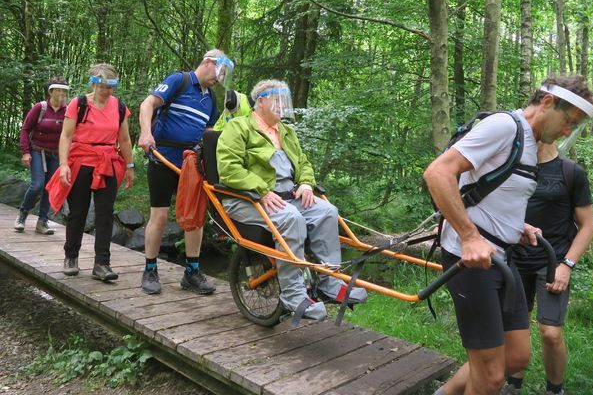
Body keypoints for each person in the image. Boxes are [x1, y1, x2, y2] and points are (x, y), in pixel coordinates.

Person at [423, 76, 593, 395]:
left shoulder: (532, 144)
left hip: (504, 258)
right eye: (569, 122)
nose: (568, 132)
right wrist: (469, 236)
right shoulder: (505, 127)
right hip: (471, 261)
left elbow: (496, 192)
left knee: (515, 357)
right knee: (490, 377)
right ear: (546, 103)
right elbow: (438, 172)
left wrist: (518, 227)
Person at [216, 79, 367, 321]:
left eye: (285, 101)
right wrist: (261, 191)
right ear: (260, 102)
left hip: (288, 196)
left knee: (327, 211)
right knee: (290, 218)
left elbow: (304, 163)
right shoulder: (239, 128)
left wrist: (306, 183)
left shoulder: (287, 132)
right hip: (248, 198)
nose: (282, 106)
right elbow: (228, 169)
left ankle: (330, 283)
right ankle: (293, 295)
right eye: (277, 100)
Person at [137, 49, 234, 295]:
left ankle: (191, 272)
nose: (219, 78)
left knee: (194, 217)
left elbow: (209, 134)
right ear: (208, 62)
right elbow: (148, 103)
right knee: (158, 216)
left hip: (191, 166)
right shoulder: (178, 81)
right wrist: (146, 133)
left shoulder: (210, 98)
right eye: (219, 72)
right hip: (163, 158)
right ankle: (150, 269)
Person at [501, 141, 593, 395]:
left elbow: (587, 226)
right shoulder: (512, 167)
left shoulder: (571, 171)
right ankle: (513, 384)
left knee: (550, 332)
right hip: (514, 258)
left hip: (553, 260)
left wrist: (568, 265)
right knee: (514, 327)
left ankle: (555, 390)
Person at [47, 64, 135, 281]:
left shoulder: (119, 107)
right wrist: (64, 164)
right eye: (104, 86)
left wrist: (130, 166)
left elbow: (123, 139)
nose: (108, 91)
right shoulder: (79, 104)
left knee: (105, 214)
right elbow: (66, 136)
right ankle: (71, 256)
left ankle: (102, 264)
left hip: (107, 163)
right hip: (81, 162)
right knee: (78, 212)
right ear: (94, 84)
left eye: (111, 87)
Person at [15, 78, 69, 234]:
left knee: (49, 189)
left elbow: (71, 134)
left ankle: (42, 222)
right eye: (58, 90)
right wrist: (26, 152)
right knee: (37, 184)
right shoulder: (41, 108)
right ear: (50, 91)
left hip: (56, 154)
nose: (61, 94)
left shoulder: (68, 111)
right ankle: (22, 215)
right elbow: (25, 129)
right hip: (38, 151)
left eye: (64, 91)